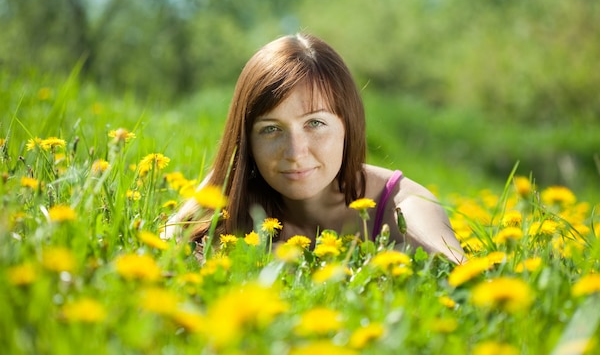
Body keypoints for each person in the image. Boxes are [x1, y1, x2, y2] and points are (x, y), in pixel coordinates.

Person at [164, 33, 464, 263]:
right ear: (246, 142)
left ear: (348, 124)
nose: (295, 152)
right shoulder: (235, 192)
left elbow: (463, 276)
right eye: (271, 129)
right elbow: (163, 253)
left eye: (315, 123)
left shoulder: (404, 205)